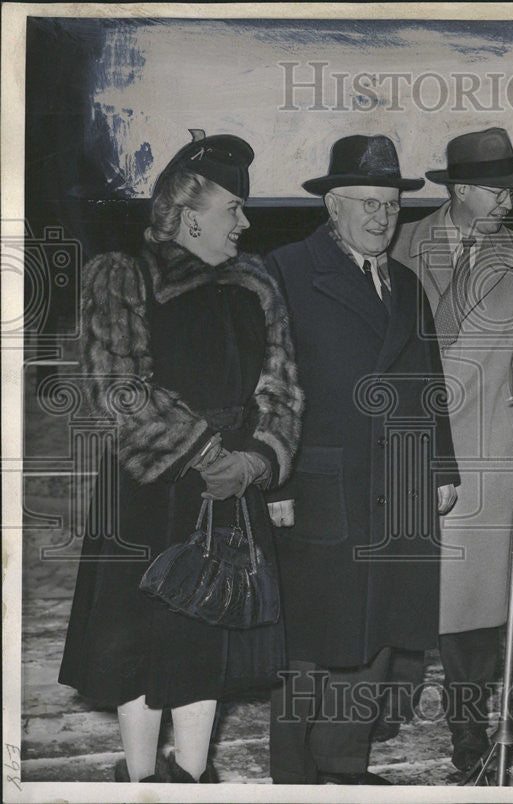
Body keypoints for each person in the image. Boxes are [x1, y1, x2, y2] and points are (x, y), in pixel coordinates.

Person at [59, 131, 304, 783]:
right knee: (139, 642)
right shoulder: (122, 273)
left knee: (208, 640)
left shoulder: (255, 282)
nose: (245, 223)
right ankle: (140, 780)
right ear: (192, 212)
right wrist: (204, 453)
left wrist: (255, 462)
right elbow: (119, 384)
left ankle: (191, 779)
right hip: (149, 494)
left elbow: (282, 384)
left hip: (232, 491)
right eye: (234, 209)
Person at [391, 127, 513, 773]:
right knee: (392, 584)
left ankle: (469, 733)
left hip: (487, 455)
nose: (507, 201)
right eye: (493, 190)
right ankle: (378, 708)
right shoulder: (400, 246)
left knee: (477, 611)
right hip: (407, 445)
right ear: (456, 190)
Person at [264, 134, 459, 785]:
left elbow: (430, 382)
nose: (382, 218)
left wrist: (442, 469)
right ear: (333, 206)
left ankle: (343, 761)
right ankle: (294, 775)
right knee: (310, 640)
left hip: (400, 483)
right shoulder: (286, 271)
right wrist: (273, 480)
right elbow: (263, 385)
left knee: (380, 625)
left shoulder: (405, 283)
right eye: (367, 204)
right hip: (322, 483)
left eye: (392, 206)